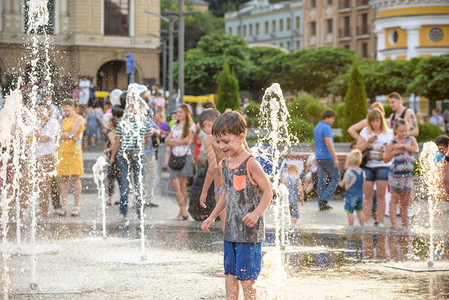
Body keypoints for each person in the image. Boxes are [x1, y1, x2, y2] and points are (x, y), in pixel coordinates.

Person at [201, 111, 273, 300]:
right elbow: (228, 193)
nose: (221, 146)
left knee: (247, 277)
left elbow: (268, 191)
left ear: (241, 137)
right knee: (230, 273)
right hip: (231, 231)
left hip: (249, 233)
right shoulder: (224, 164)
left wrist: (257, 213)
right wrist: (213, 215)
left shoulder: (251, 164)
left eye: (226, 141)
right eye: (218, 142)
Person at [109, 96, 152, 220]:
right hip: (124, 156)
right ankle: (123, 212)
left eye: (135, 107)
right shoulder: (123, 121)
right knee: (124, 185)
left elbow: (147, 139)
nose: (133, 109)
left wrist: (138, 149)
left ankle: (140, 212)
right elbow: (118, 141)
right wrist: (113, 157)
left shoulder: (144, 121)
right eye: (131, 107)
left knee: (139, 184)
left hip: (138, 157)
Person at [20, 103, 60, 218]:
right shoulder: (35, 122)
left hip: (47, 157)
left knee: (44, 186)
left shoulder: (53, 123)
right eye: (38, 110)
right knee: (26, 182)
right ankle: (24, 209)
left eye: (42, 110)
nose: (39, 113)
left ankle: (44, 213)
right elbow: (26, 138)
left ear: (48, 111)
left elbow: (44, 138)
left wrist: (36, 131)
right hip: (32, 157)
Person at [356, 109, 394, 227]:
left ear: (381, 121)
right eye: (372, 121)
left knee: (381, 195)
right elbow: (358, 149)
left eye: (377, 121)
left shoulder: (389, 132)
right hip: (368, 166)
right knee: (367, 195)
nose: (375, 123)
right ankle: (366, 221)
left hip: (383, 166)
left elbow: (393, 147)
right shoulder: (365, 132)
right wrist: (368, 142)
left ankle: (381, 221)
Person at [384, 119, 418, 228]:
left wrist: (404, 146)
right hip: (395, 175)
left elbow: (416, 150)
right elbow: (385, 159)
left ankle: (405, 225)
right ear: (396, 131)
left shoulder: (411, 139)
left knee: (405, 201)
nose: (404, 133)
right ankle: (394, 225)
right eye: (401, 131)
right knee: (395, 199)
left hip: (408, 175)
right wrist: (394, 151)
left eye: (406, 131)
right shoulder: (392, 143)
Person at [164, 104, 196, 221]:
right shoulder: (175, 126)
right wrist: (178, 142)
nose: (178, 114)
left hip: (185, 157)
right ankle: (182, 211)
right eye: (177, 112)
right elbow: (167, 141)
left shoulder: (191, 126)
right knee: (175, 185)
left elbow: (187, 140)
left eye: (180, 112)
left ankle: (183, 213)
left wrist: (174, 141)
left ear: (186, 113)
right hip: (174, 157)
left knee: (182, 185)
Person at [56, 99, 84, 217]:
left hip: (74, 151)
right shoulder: (64, 120)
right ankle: (64, 206)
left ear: (72, 107)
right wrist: (68, 136)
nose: (65, 110)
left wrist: (66, 135)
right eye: (64, 108)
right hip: (63, 151)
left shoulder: (79, 118)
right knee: (63, 179)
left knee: (75, 178)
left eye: (67, 107)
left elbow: (73, 133)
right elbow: (60, 135)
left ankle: (76, 206)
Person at [198, 108, 226, 230]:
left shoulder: (209, 139)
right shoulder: (235, 133)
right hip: (240, 184)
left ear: (206, 124)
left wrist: (204, 191)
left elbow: (213, 167)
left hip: (221, 187)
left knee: (226, 223)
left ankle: (229, 249)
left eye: (205, 131)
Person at [313, 109, 340, 211]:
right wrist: (335, 158)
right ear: (327, 117)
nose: (333, 120)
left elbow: (315, 143)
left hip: (319, 156)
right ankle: (324, 199)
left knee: (321, 180)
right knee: (336, 176)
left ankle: (321, 203)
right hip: (327, 156)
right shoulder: (326, 127)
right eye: (332, 118)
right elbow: (329, 143)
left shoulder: (317, 127)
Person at [342, 150, 365, 226]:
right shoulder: (362, 172)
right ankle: (363, 226)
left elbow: (347, 186)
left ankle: (351, 227)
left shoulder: (349, 172)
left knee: (349, 212)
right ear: (360, 161)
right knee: (360, 211)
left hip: (351, 194)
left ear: (350, 161)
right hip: (360, 194)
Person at [103, 116, 120, 205]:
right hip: (119, 157)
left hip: (113, 158)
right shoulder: (118, 132)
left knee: (111, 178)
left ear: (111, 124)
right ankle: (122, 198)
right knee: (119, 178)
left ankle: (110, 199)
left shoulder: (110, 133)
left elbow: (114, 145)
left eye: (109, 122)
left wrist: (107, 150)